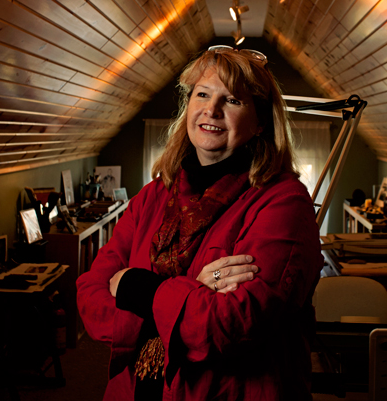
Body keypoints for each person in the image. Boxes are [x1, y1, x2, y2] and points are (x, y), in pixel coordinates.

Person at [76, 45, 323, 400]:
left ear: (260, 122)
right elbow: (90, 299)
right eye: (202, 94)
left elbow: (231, 324)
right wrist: (190, 295)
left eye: (233, 100)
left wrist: (136, 288)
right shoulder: (153, 196)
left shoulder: (284, 202)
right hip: (136, 389)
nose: (212, 109)